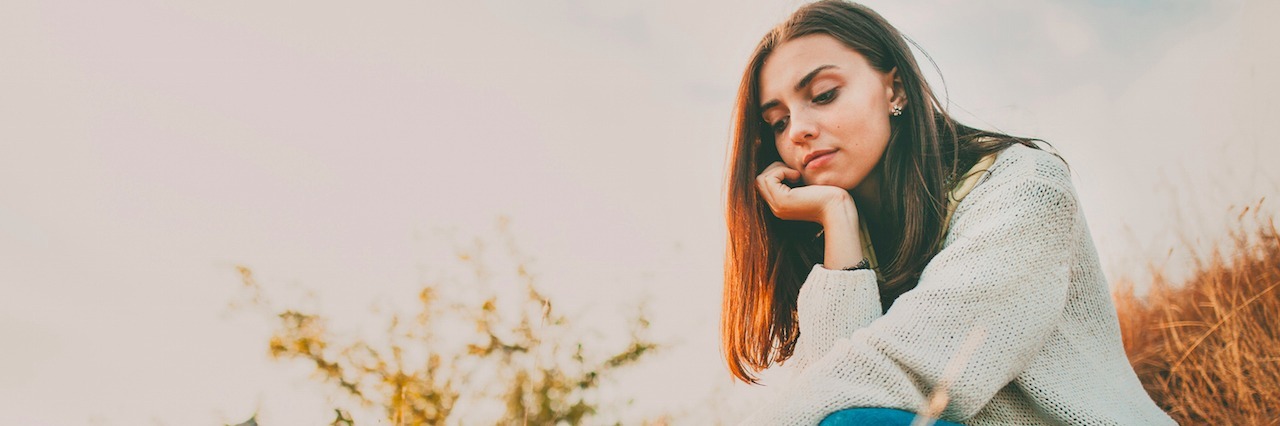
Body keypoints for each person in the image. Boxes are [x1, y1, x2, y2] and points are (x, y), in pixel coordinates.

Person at [719, 1, 1177, 425]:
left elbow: (886, 383)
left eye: (822, 95)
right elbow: (829, 389)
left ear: (894, 89)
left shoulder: (1025, 187)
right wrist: (837, 216)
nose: (798, 130)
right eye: (778, 122)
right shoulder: (848, 240)